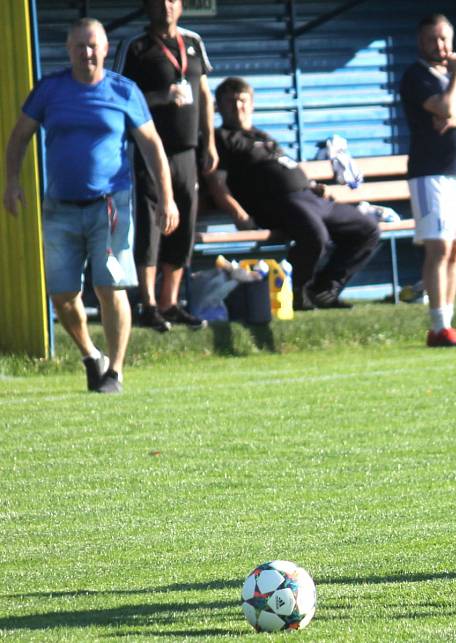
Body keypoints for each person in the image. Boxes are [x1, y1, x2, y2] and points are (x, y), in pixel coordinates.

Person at [3, 17, 178, 393]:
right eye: (80, 46)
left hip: (110, 205)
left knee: (110, 286)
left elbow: (152, 146)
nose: (87, 53)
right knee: (63, 295)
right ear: (69, 51)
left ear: (104, 49)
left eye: (94, 45)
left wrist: (167, 198)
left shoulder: (124, 91)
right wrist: (12, 182)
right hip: (60, 207)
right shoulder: (49, 90)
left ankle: (114, 371)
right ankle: (90, 355)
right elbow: (19, 137)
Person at [206, 77, 381, 310]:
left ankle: (324, 290)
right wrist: (239, 214)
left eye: (243, 101)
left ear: (252, 104)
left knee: (367, 229)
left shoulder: (262, 136)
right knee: (315, 235)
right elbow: (217, 183)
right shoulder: (221, 139)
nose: (238, 107)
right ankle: (296, 292)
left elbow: (285, 165)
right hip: (277, 202)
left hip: (310, 198)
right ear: (219, 107)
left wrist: (312, 186)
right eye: (230, 102)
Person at [114, 0, 218, 332]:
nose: (166, 7)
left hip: (187, 149)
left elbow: (204, 92)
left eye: (172, 1)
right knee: (150, 222)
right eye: (158, 2)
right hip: (147, 150)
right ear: (147, 7)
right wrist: (160, 97)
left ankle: (170, 301)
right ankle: (148, 304)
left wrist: (210, 142)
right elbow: (117, 95)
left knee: (184, 221)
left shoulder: (193, 41)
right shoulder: (136, 46)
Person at [399, 14, 456, 347]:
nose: (441, 46)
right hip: (430, 173)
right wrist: (455, 83)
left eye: (445, 38)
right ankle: (436, 324)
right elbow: (444, 106)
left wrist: (454, 116)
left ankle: (449, 324)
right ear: (421, 42)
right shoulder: (416, 77)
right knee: (439, 246)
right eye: (433, 39)